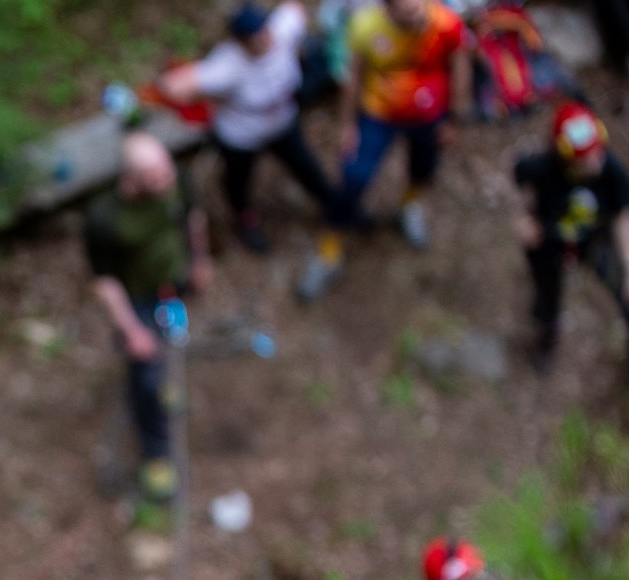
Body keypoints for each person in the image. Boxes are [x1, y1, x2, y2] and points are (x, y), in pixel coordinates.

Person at [298, 0, 472, 300]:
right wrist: (347, 126)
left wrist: (456, 117)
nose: (416, 19)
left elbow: (459, 65)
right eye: (405, 15)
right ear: (387, 9)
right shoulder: (365, 27)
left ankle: (409, 206)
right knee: (352, 179)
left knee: (424, 167)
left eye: (418, 11)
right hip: (379, 115)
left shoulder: (446, 22)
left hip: (429, 115)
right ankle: (328, 249)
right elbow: (352, 78)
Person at [84, 132, 214, 503]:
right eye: (154, 177)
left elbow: (193, 219)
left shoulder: (178, 182)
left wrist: (200, 260)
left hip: (173, 286)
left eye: (166, 171)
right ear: (131, 178)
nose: (165, 181)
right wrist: (131, 329)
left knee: (174, 334)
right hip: (137, 301)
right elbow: (106, 282)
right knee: (143, 378)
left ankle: (168, 378)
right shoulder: (105, 219)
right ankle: (156, 454)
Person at [160, 2, 333, 253]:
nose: (265, 39)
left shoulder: (281, 30)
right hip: (241, 136)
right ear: (241, 42)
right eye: (256, 37)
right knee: (238, 181)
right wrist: (204, 99)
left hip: (283, 123)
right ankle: (244, 218)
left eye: (265, 31)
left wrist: (297, 49)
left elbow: (295, 10)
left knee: (306, 166)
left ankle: (334, 205)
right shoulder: (227, 64)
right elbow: (173, 86)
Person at [514, 102, 629, 377]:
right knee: (547, 298)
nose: (596, 162)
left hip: (594, 242)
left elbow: (623, 216)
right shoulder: (542, 167)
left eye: (598, 151)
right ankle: (546, 338)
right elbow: (522, 181)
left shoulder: (612, 171)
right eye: (586, 159)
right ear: (565, 157)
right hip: (549, 242)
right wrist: (525, 218)